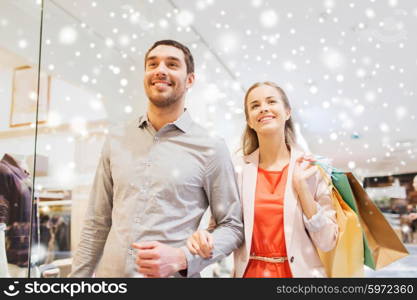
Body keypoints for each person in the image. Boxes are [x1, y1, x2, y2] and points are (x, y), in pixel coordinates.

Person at [70, 40, 244, 277]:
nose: (160, 70)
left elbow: (232, 226)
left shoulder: (211, 147)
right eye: (153, 64)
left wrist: (183, 257)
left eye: (172, 64)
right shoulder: (116, 139)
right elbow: (96, 223)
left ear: (190, 80)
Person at [187, 82, 338, 277]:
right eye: (255, 105)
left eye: (271, 101)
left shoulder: (312, 169)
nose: (264, 108)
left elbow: (327, 241)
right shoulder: (236, 172)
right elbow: (221, 229)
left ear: (287, 112)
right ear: (249, 121)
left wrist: (302, 188)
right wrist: (204, 240)